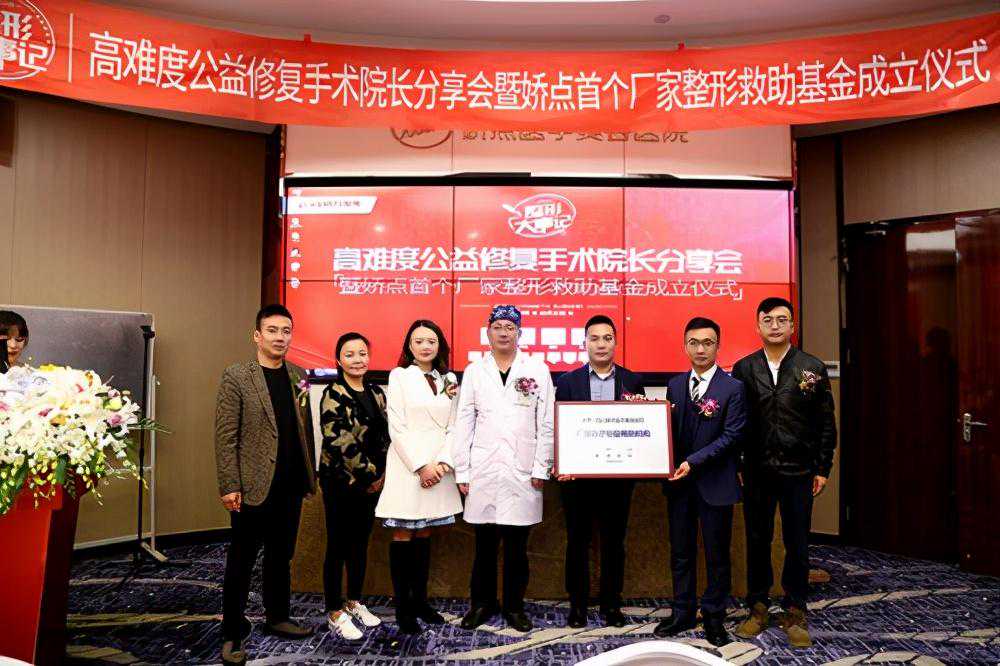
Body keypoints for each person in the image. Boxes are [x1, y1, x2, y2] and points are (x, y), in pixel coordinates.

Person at [214, 304, 317, 666]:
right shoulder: (237, 376)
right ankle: (232, 631)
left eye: (286, 331)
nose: (279, 337)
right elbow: (226, 436)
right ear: (257, 336)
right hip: (252, 486)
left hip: (290, 483)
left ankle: (278, 617)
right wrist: (229, 484)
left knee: (280, 556)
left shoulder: (298, 375)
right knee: (241, 561)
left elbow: (304, 431)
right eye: (272, 330)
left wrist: (309, 475)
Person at [732, 297, 837, 649]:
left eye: (782, 320)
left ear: (792, 325)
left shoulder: (811, 367)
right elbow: (737, 423)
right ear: (757, 326)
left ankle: (795, 610)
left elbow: (825, 423)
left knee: (797, 543)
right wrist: (739, 465)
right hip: (757, 471)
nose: (775, 326)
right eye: (768, 320)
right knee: (757, 540)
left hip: (799, 470)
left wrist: (822, 467)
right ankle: (757, 606)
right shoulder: (744, 368)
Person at [451, 305, 554, 633]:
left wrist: (541, 468)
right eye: (498, 326)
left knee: (516, 547)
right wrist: (463, 471)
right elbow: (464, 421)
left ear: (519, 333)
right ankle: (481, 604)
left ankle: (514, 607)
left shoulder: (537, 369)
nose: (504, 333)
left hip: (523, 470)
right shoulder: (474, 371)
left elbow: (546, 422)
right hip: (483, 469)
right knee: (483, 545)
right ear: (488, 332)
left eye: (510, 327)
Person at [654, 317, 745, 647]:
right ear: (685, 346)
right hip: (679, 486)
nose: (700, 349)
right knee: (681, 552)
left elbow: (732, 436)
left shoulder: (733, 388)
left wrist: (693, 462)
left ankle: (714, 615)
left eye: (708, 343)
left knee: (717, 555)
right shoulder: (676, 384)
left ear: (718, 346)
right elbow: (670, 432)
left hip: (715, 484)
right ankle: (682, 611)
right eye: (694, 342)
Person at [554, 314, 645, 628]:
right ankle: (577, 605)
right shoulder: (568, 382)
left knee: (614, 543)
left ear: (616, 342)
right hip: (577, 480)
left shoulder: (632, 381)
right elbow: (559, 428)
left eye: (607, 338)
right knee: (577, 542)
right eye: (595, 338)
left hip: (618, 480)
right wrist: (562, 463)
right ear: (585, 343)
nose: (601, 344)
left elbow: (640, 428)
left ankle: (611, 604)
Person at [374, 320, 463, 634]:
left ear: (440, 345)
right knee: (404, 534)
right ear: (409, 346)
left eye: (431, 341)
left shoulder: (449, 379)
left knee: (426, 533)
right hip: (408, 467)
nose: (426, 346)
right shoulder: (399, 376)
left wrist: (442, 463)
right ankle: (403, 609)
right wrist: (421, 466)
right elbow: (396, 427)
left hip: (439, 468)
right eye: (419, 341)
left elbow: (455, 424)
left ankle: (421, 602)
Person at [318, 332, 390, 640]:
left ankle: (354, 601)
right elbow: (339, 442)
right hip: (340, 483)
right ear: (338, 360)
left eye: (362, 353)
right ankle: (334, 611)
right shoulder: (332, 393)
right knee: (338, 545)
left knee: (360, 544)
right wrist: (370, 474)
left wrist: (382, 474)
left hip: (371, 484)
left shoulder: (376, 393)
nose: (357, 359)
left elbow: (385, 437)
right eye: (350, 354)